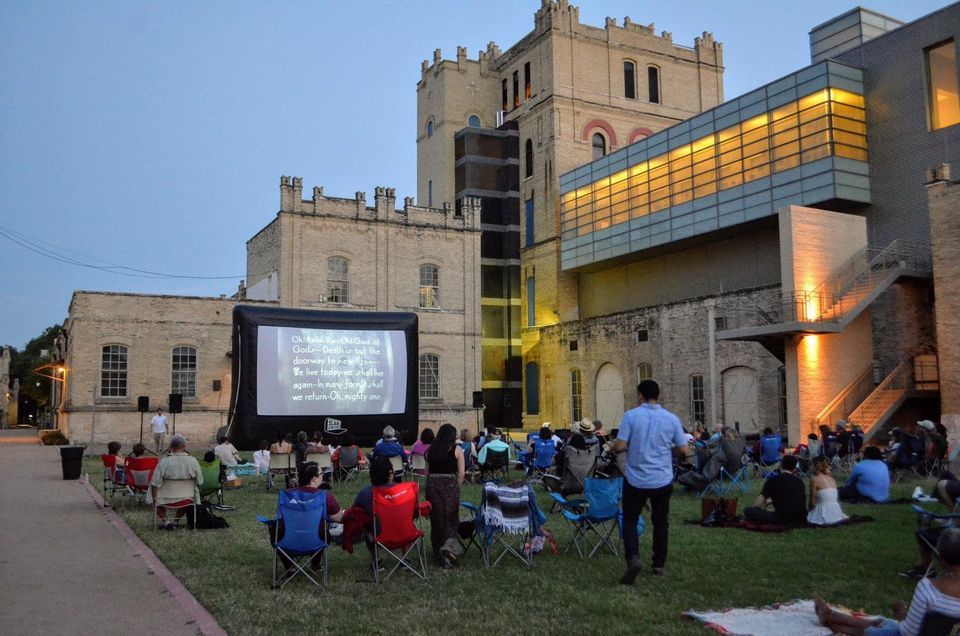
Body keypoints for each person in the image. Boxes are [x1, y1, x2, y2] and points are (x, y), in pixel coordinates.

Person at [817, 528, 960, 635]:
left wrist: (902, 613)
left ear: (941, 558)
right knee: (884, 624)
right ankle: (831, 615)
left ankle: (831, 620)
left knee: (876, 630)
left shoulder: (929, 587)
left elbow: (909, 632)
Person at [615, 379, 687, 584]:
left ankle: (633, 559)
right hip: (662, 479)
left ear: (640, 395)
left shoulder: (631, 416)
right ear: (658, 395)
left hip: (636, 478)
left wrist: (613, 446)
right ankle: (658, 565)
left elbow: (620, 446)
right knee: (660, 522)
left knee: (629, 520)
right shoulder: (671, 419)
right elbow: (684, 450)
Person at [263, 462, 344, 571]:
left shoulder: (286, 495)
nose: (322, 476)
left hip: (287, 542)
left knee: (276, 530)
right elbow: (339, 518)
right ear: (314, 478)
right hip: (316, 542)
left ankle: (289, 567)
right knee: (323, 530)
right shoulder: (324, 496)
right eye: (321, 473)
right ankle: (315, 564)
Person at [425, 423, 465, 567]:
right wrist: (456, 487)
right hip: (449, 484)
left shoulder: (430, 450)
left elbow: (427, 472)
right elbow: (461, 473)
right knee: (451, 516)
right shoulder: (457, 449)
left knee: (436, 518)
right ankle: (448, 548)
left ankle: (437, 550)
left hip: (433, 484)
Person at [149, 435, 202, 529]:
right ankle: (175, 521)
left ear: (171, 447)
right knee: (188, 495)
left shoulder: (163, 462)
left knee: (151, 493)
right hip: (187, 498)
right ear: (184, 446)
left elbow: (155, 483)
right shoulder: (193, 461)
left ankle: (167, 522)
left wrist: (154, 499)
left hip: (164, 498)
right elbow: (200, 481)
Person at [743, 454, 807, 526]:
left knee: (748, 510)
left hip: (783, 518)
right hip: (801, 518)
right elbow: (791, 499)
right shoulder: (799, 481)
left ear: (780, 465)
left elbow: (758, 504)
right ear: (794, 468)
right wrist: (771, 501)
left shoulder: (773, 480)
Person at [807, 456, 849, 526]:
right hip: (836, 513)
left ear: (815, 466)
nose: (809, 467)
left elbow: (812, 502)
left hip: (822, 513)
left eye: (810, 465)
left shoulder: (814, 479)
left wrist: (808, 512)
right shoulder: (832, 479)